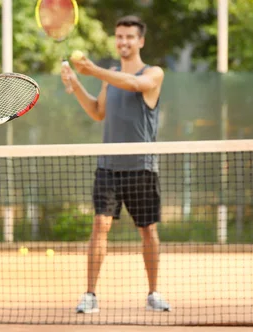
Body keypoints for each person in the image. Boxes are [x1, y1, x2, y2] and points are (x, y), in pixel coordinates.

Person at [61, 15, 171, 313]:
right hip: (108, 166)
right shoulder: (109, 77)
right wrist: (76, 84)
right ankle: (90, 295)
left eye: (129, 37)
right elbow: (98, 112)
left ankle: (153, 292)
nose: (123, 41)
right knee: (99, 225)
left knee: (147, 230)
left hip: (142, 167)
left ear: (141, 41)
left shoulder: (154, 74)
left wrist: (93, 71)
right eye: (119, 36)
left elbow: (136, 84)